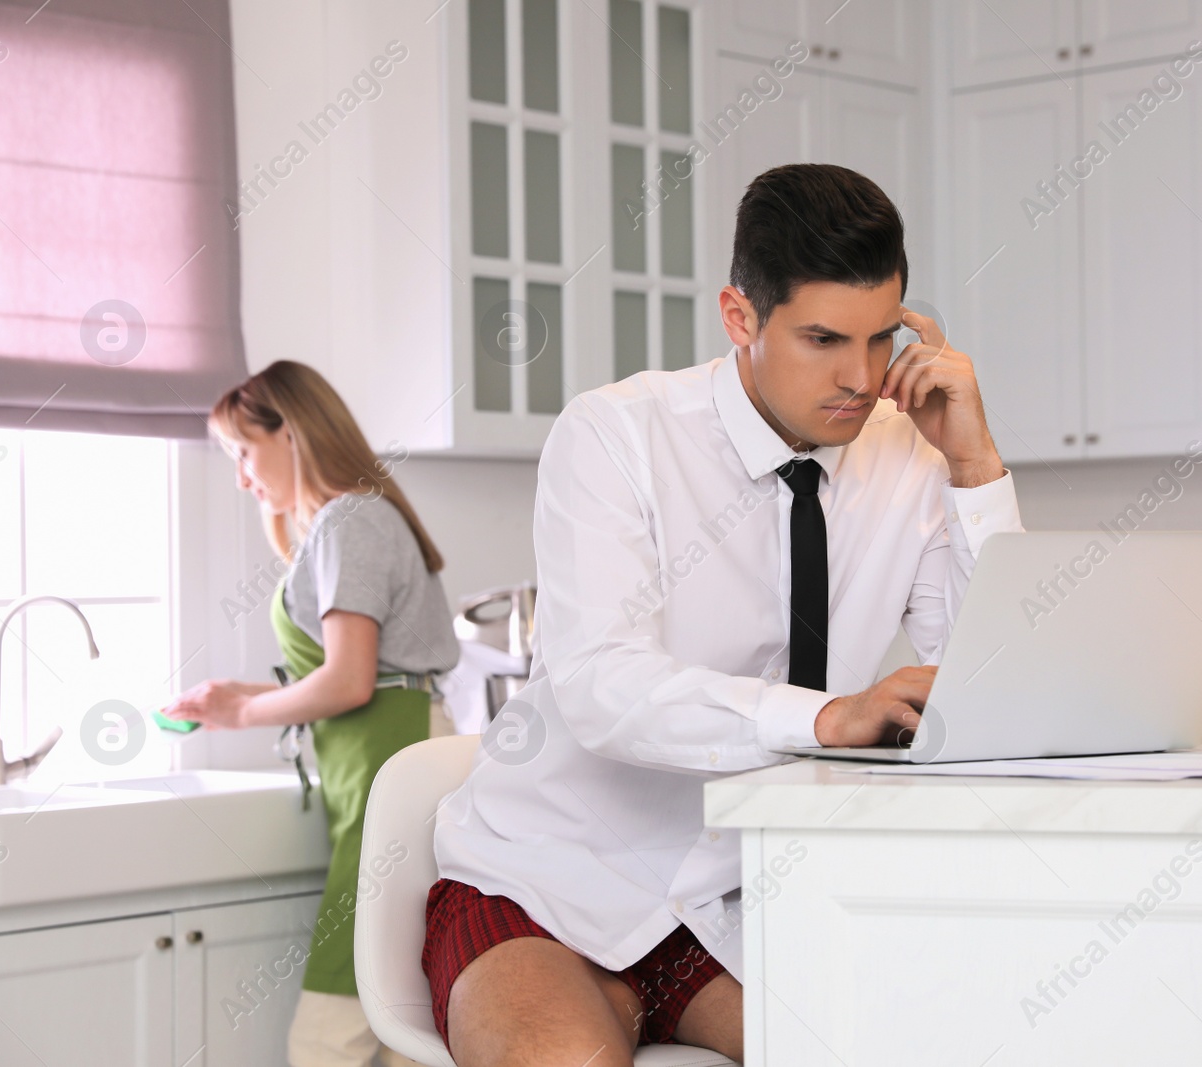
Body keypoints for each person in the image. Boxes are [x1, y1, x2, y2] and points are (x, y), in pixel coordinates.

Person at [422, 162, 1025, 1066]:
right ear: (739, 316)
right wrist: (824, 719)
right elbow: (600, 685)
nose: (861, 378)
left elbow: (995, 685)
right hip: (545, 880)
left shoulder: (909, 450)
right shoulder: (614, 435)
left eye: (880, 337)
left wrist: (975, 465)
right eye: (823, 338)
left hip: (734, 903)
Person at [164, 360, 457, 1067]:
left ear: (289, 431)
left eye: (242, 451)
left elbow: (351, 679)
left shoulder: (347, 520)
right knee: (400, 1011)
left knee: (330, 1026)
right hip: (392, 754)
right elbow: (351, 672)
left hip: (390, 757)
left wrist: (246, 714)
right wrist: (237, 698)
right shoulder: (354, 517)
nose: (240, 477)